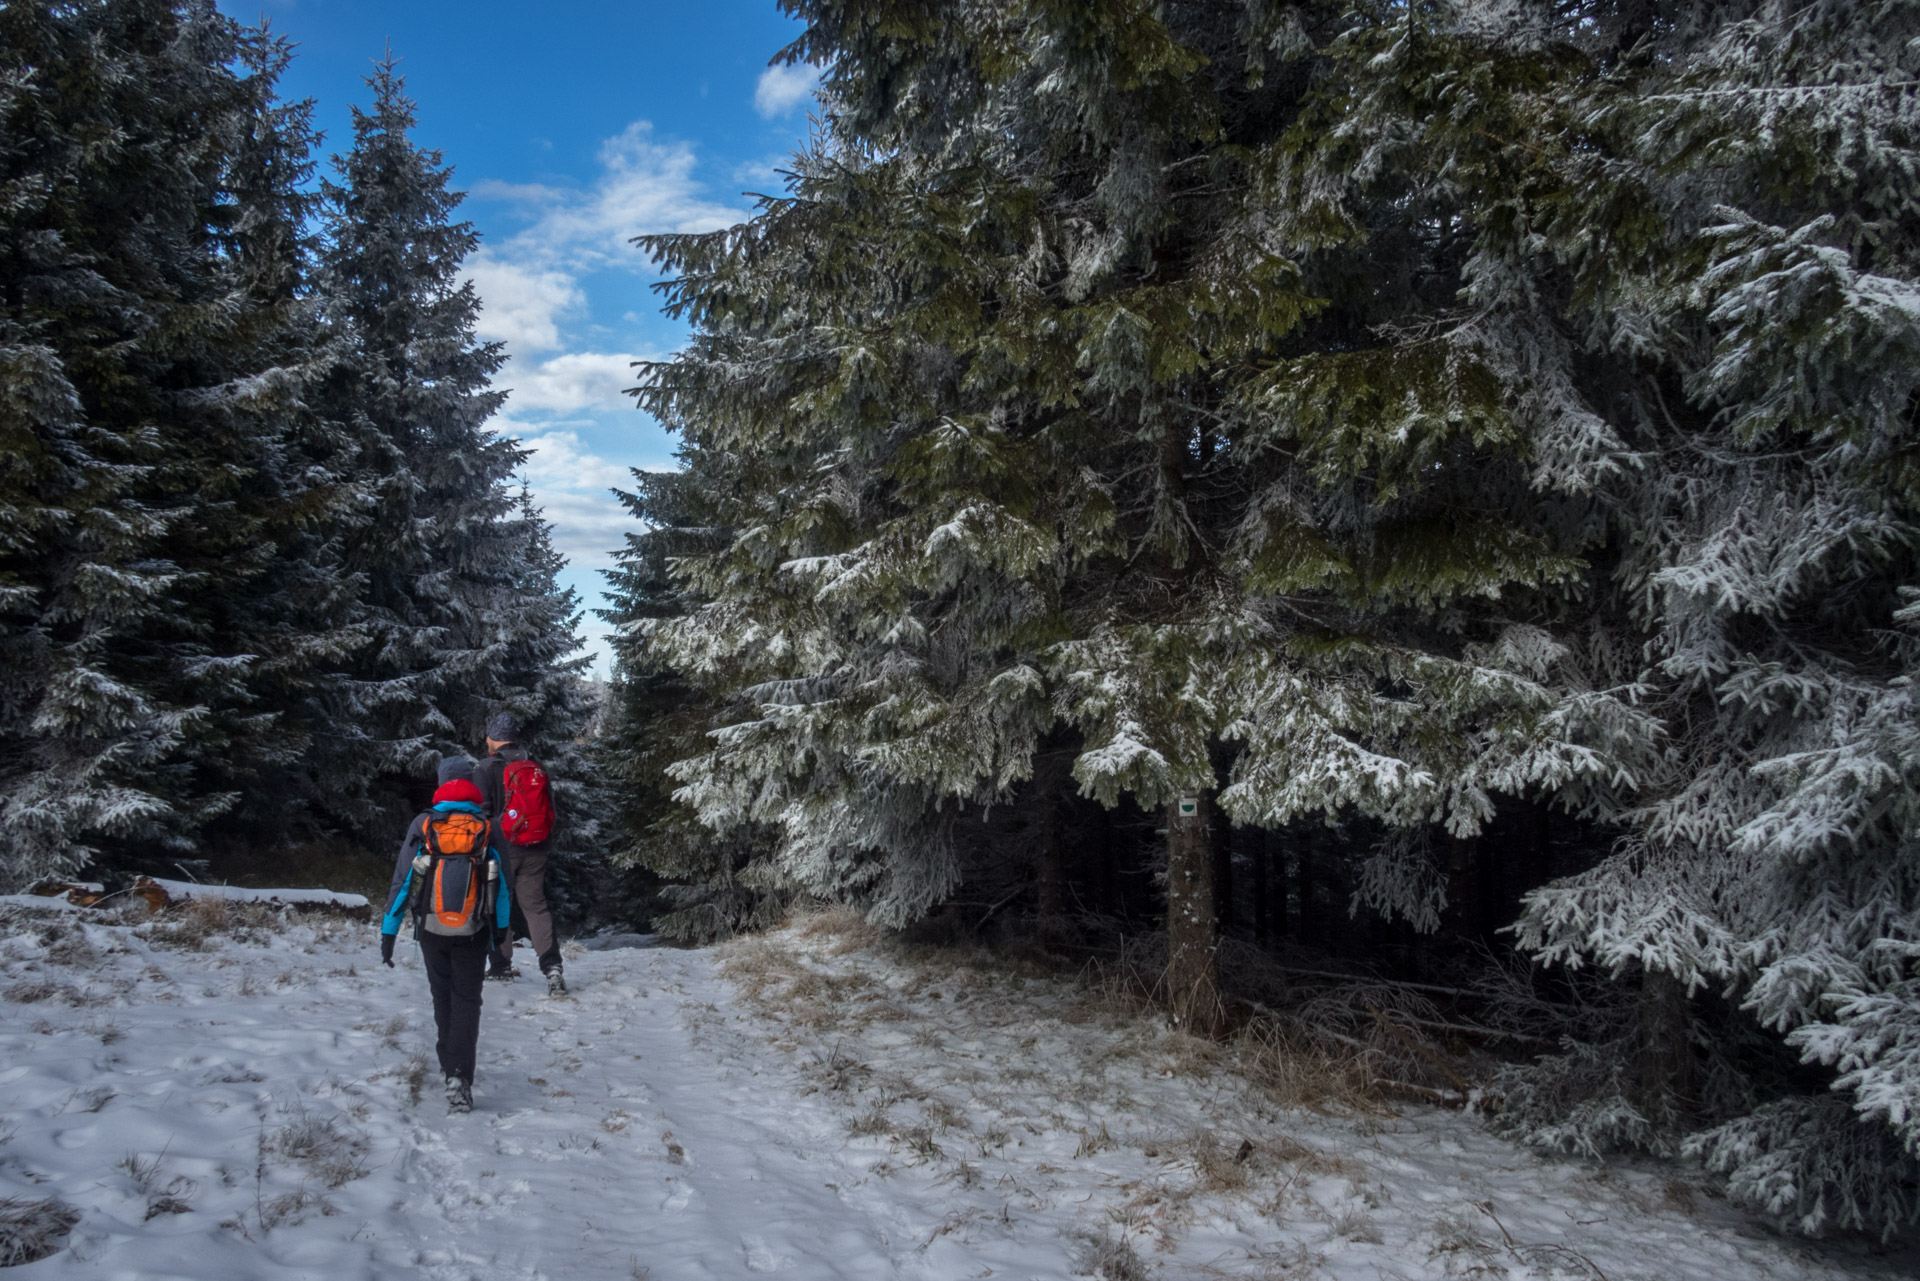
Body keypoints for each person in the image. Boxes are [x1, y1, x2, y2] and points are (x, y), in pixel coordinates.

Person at [379, 761, 511, 1114]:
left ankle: (447, 1062)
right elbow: (502, 890)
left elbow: (403, 879)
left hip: (431, 928)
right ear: (472, 788)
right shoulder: (486, 827)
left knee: (442, 995)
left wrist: (389, 932)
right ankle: (459, 1075)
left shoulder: (424, 824)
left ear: (440, 785)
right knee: (468, 1000)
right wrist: (501, 939)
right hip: (474, 929)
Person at [475, 711, 566, 996]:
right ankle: (552, 967)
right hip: (537, 847)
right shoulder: (535, 766)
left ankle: (501, 966)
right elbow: (550, 808)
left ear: (492, 737)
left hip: (502, 848)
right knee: (535, 906)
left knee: (497, 905)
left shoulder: (486, 767)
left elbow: (481, 814)